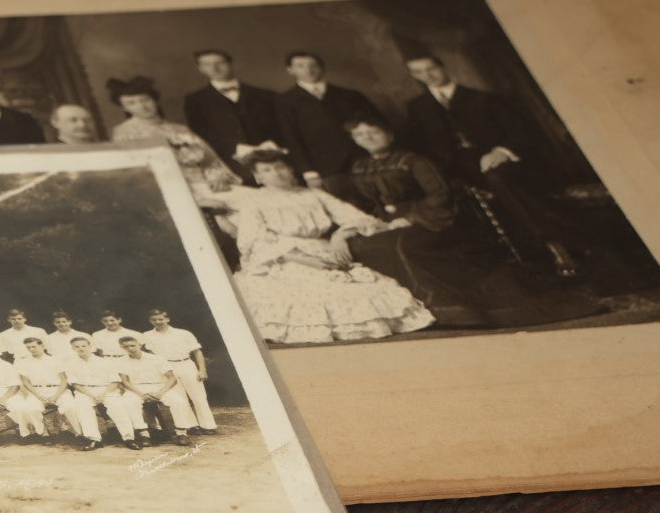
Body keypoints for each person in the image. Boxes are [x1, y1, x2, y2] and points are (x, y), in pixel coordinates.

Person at [345, 116, 599, 329]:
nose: (367, 137)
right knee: (367, 247)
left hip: (431, 219)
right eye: (359, 135)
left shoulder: (414, 160)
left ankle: (451, 312)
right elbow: (367, 204)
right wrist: (373, 222)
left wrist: (409, 218)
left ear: (388, 134)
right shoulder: (359, 167)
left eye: (373, 131)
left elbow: (441, 194)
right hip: (388, 223)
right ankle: (409, 315)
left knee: (403, 246)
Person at [402, 54, 580, 277]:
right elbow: (417, 146)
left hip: (498, 164)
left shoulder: (483, 99)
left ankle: (553, 245)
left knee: (499, 179)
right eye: (419, 72)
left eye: (431, 69)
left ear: (442, 66)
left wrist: (501, 151)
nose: (427, 75)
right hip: (454, 171)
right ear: (413, 76)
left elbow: (522, 134)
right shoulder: (418, 108)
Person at [231, 150, 434, 344]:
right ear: (258, 177)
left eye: (280, 167)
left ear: (291, 169)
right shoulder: (254, 201)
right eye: (266, 170)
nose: (276, 173)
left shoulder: (313, 194)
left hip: (323, 249)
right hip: (284, 257)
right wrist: (305, 260)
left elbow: (357, 217)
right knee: (312, 292)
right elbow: (254, 240)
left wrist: (340, 235)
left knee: (361, 288)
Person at [108, 77, 244, 205]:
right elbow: (136, 171)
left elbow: (210, 159)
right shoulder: (123, 132)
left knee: (250, 199)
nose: (142, 106)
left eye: (145, 100)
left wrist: (216, 176)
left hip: (205, 183)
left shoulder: (179, 129)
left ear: (155, 100)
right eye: (131, 103)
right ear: (124, 108)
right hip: (173, 189)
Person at [273, 51, 384, 197]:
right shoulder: (285, 101)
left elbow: (379, 126)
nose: (308, 70)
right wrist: (309, 172)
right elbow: (291, 138)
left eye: (313, 65)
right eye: (300, 66)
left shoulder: (350, 95)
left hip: (364, 161)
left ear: (321, 67)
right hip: (325, 169)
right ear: (290, 70)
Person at [182, 49, 283, 182]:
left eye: (220, 63)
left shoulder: (266, 95)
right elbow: (201, 137)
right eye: (207, 64)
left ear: (230, 64)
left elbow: (282, 129)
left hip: (274, 163)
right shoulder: (195, 100)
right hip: (230, 167)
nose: (215, 68)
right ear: (200, 69)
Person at [142, 309, 215, 434]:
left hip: (186, 364)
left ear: (167, 319)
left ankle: (208, 426)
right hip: (167, 368)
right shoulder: (147, 336)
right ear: (150, 321)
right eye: (154, 320)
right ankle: (192, 426)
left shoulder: (183, 333)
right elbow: (150, 355)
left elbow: (197, 352)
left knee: (199, 396)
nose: (157, 322)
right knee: (180, 398)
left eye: (160, 319)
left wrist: (202, 370)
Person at [114, 336, 192, 446]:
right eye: (126, 346)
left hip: (159, 387)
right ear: (121, 347)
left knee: (179, 401)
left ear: (139, 345)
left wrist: (161, 392)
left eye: (133, 345)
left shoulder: (157, 358)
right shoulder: (120, 361)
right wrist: (141, 395)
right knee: (129, 402)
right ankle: (143, 434)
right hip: (136, 389)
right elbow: (125, 382)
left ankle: (182, 433)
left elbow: (172, 378)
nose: (130, 348)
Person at [62, 335, 131, 449]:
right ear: (72, 349)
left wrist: (103, 394)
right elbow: (75, 384)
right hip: (85, 391)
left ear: (90, 346)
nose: (81, 348)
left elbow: (115, 381)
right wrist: (92, 395)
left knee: (117, 406)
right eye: (77, 346)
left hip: (108, 390)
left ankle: (128, 437)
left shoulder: (106, 362)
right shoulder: (70, 364)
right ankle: (94, 439)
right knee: (83, 407)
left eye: (84, 345)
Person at [11, 336, 67, 444]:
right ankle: (43, 433)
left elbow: (64, 380)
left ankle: (78, 434)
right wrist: (38, 396)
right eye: (28, 347)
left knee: (70, 406)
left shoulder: (55, 360)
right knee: (30, 409)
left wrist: (56, 396)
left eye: (34, 346)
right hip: (36, 391)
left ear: (42, 346)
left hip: (57, 390)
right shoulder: (24, 362)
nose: (31, 349)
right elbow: (25, 381)